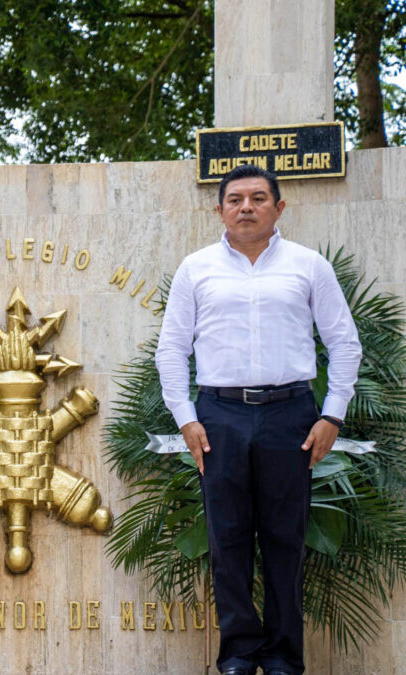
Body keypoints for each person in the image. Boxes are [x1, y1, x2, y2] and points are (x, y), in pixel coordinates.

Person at [155, 165, 361, 675]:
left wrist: (332, 414)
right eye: (236, 199)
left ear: (279, 208)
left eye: (258, 198)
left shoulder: (308, 266)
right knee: (227, 538)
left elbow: (344, 343)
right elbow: (172, 350)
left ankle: (285, 656)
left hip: (290, 415)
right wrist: (186, 418)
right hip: (218, 416)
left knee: (285, 538)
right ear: (219, 209)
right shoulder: (196, 268)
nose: (246, 206)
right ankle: (240, 654)